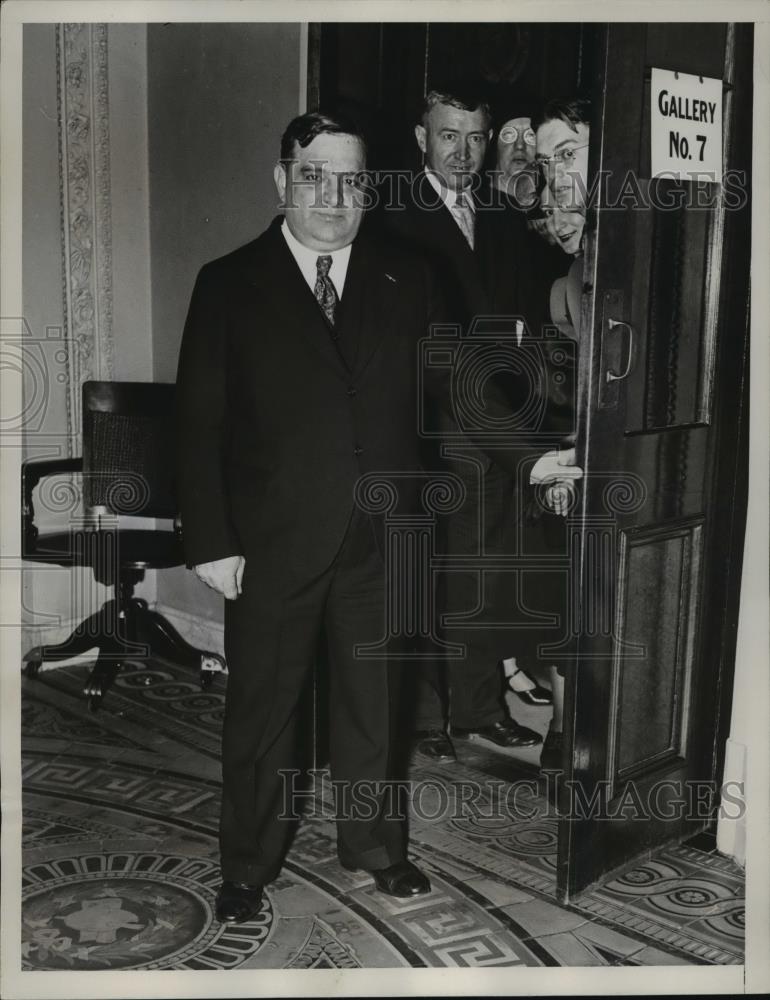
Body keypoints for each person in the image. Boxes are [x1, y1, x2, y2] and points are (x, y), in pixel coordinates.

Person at [174, 111, 439, 924]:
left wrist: (531, 456)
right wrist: (210, 542)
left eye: (352, 179)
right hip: (270, 544)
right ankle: (247, 865)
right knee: (266, 712)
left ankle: (375, 847)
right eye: (314, 175)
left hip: (377, 540)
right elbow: (197, 425)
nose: (334, 195)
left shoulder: (406, 277)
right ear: (282, 180)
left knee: (374, 707)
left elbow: (457, 399)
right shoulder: (228, 282)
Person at [380, 85, 577, 762]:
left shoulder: (497, 214)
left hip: (498, 421)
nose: (462, 152)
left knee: (481, 572)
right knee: (430, 571)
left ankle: (477, 708)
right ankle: (428, 716)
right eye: (447, 136)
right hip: (430, 423)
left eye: (474, 138)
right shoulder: (392, 215)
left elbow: (522, 316)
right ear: (420, 138)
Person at [531, 94, 592, 772]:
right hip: (582, 453)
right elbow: (565, 388)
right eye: (547, 167)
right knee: (566, 595)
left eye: (568, 156)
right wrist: (559, 462)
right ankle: (564, 725)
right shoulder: (563, 288)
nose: (556, 181)